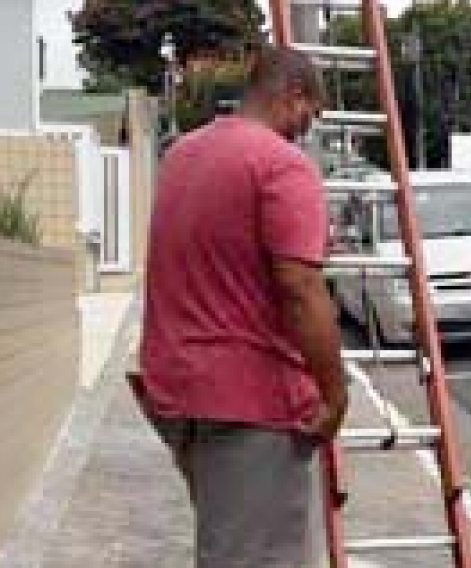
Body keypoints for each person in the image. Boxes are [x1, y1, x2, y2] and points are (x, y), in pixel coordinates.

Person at [134, 47, 347, 567]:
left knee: (227, 543)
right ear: (292, 95)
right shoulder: (282, 166)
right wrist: (334, 391)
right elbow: (299, 285)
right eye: (308, 114)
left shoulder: (183, 154)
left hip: (179, 392)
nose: (305, 129)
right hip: (252, 402)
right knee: (261, 558)